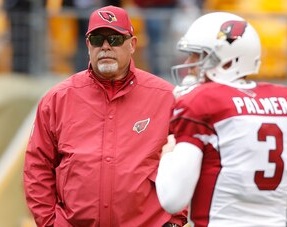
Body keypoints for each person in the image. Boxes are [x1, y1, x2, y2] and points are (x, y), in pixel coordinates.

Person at [23, 5, 187, 227]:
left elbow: (189, 159)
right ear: (88, 44)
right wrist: (50, 223)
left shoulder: (167, 97)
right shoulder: (57, 98)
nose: (106, 46)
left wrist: (176, 220)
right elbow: (37, 167)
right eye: (98, 39)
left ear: (132, 44)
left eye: (115, 39)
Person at [156, 12, 287, 226]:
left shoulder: (203, 101)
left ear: (228, 63)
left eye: (198, 56)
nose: (189, 63)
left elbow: (172, 199)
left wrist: (168, 153)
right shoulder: (286, 101)